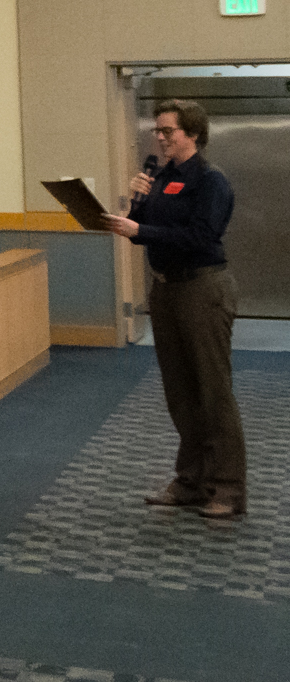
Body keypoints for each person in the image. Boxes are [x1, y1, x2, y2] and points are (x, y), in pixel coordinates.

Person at [102, 98, 247, 519]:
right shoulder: (159, 177)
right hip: (166, 291)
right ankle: (190, 482)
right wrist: (136, 206)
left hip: (204, 288)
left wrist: (142, 227)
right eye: (157, 131)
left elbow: (202, 236)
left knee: (213, 391)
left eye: (168, 131)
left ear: (193, 134)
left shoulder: (210, 180)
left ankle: (229, 489)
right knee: (181, 393)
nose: (160, 138)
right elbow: (141, 233)